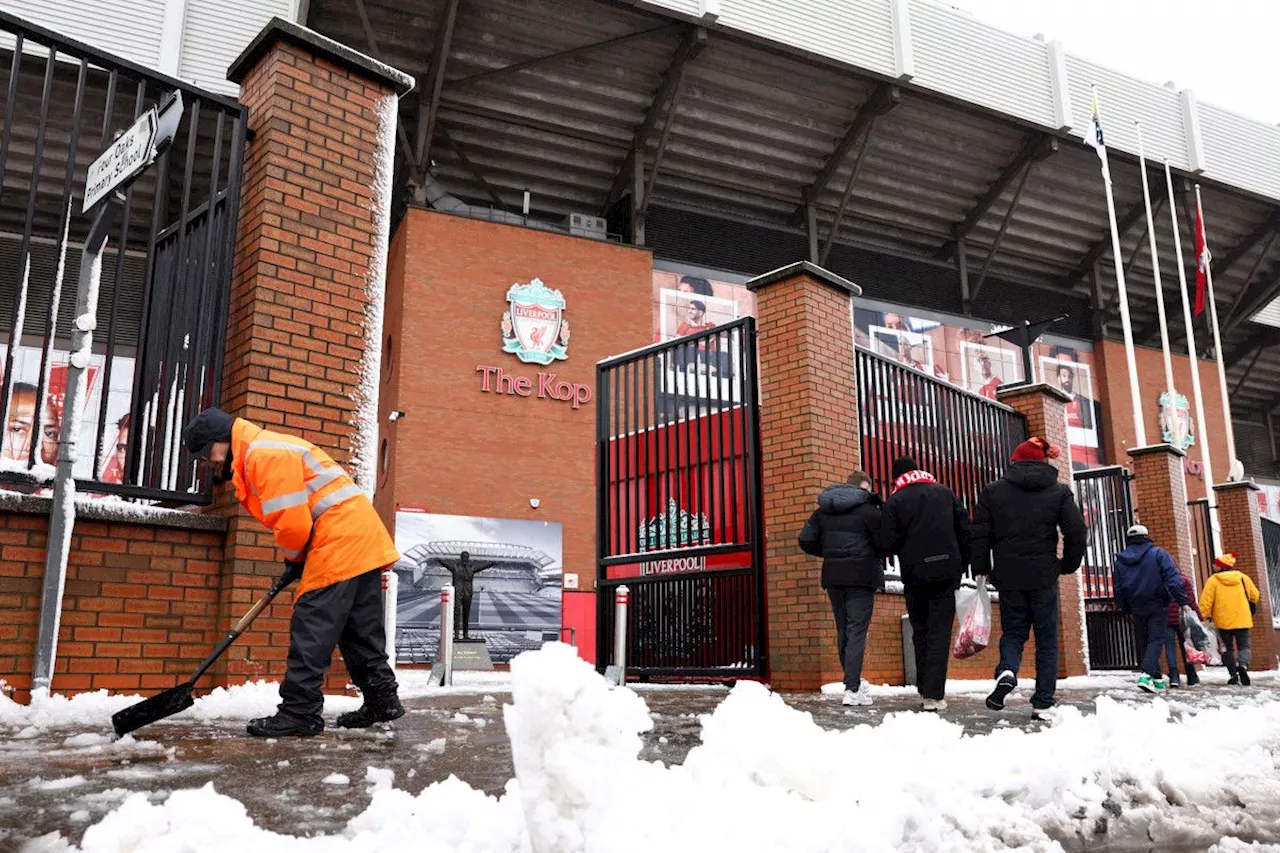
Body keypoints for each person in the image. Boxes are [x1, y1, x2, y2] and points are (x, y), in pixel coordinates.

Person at [182, 408, 404, 737]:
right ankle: (382, 699)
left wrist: (295, 557)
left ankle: (300, 712)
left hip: (338, 538)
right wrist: (297, 558)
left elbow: (293, 523)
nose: (207, 463)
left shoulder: (261, 455)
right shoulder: (264, 449)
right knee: (359, 628)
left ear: (222, 441)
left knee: (311, 623)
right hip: (362, 537)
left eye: (205, 455)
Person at [972, 437, 1086, 716]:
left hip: (1008, 575)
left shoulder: (993, 491)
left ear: (1015, 461)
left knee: (1013, 632)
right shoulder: (1058, 492)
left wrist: (981, 568)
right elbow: (1077, 531)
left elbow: (979, 534)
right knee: (1047, 639)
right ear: (1043, 461)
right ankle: (1042, 701)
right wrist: (1067, 564)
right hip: (1043, 575)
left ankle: (1007, 671)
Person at [881, 456, 970, 712]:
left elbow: (886, 542)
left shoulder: (896, 500)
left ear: (898, 476)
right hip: (946, 572)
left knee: (920, 630)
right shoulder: (944, 492)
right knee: (940, 631)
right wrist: (961, 564)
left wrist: (906, 550)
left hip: (915, 573)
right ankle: (933, 694)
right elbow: (965, 528)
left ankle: (924, 686)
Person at [798, 470, 885, 707]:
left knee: (843, 629)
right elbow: (884, 542)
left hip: (834, 576)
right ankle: (852, 688)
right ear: (862, 488)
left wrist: (830, 554)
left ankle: (852, 681)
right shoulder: (869, 511)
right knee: (857, 630)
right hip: (862, 576)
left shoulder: (824, 510)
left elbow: (805, 539)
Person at [1113, 524, 1192, 694]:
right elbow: (1173, 579)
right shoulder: (1158, 554)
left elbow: (1118, 588)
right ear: (1146, 536)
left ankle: (1156, 679)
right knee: (1156, 639)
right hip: (1157, 603)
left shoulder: (1120, 561)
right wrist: (1182, 601)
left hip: (1136, 605)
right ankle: (1146, 674)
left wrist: (1125, 607)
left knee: (1144, 641)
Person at [1199, 552, 1261, 686]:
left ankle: (1233, 674)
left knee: (1227, 648)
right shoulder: (1243, 578)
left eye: (1216, 565)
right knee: (1244, 646)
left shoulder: (1213, 580)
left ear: (1221, 567)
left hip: (1223, 621)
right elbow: (1255, 596)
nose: (1214, 566)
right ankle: (1243, 666)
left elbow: (1206, 602)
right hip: (1243, 619)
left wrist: (1202, 617)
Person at [1165, 570, 1200, 688]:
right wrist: (1199, 616)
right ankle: (1192, 676)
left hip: (1166, 619)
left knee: (1170, 648)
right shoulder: (1184, 581)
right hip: (1183, 620)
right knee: (1187, 647)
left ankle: (1174, 677)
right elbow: (1191, 601)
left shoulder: (1161, 581)